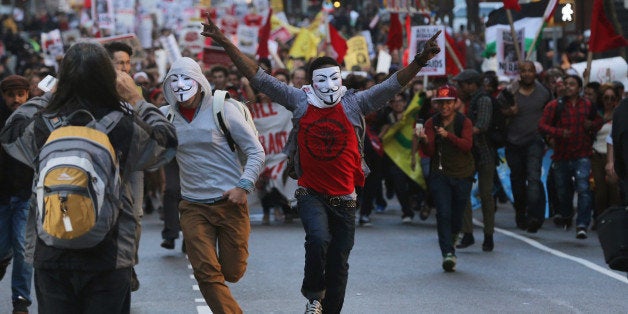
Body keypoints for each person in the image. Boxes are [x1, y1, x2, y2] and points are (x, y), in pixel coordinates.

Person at [202, 16, 441, 313]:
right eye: (321, 80)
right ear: (310, 83)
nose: (328, 86)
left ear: (341, 78)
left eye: (334, 78)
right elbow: (258, 76)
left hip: (346, 197)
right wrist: (224, 41)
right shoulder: (299, 100)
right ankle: (314, 295)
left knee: (339, 259)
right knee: (317, 239)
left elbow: (393, 85)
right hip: (310, 192)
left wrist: (419, 60)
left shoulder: (356, 102)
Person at [0, 42, 177, 314]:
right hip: (109, 252)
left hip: (50, 249)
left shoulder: (44, 124)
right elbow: (166, 143)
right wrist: (137, 100)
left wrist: (48, 96)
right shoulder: (122, 124)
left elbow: (11, 131)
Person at [160, 56, 265, 313]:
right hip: (193, 206)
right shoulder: (165, 117)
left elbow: (256, 152)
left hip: (230, 203)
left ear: (199, 80)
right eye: (174, 79)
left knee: (232, 271)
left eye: (186, 78)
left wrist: (243, 186)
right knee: (206, 272)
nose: (180, 85)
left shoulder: (224, 109)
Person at [417, 85, 475, 272]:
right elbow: (429, 151)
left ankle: (455, 234)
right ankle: (447, 253)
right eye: (441, 103)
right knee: (443, 213)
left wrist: (448, 135)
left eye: (448, 103)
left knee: (457, 214)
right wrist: (424, 140)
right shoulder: (431, 123)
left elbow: (467, 146)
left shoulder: (463, 122)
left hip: (462, 174)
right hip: (440, 174)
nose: (444, 107)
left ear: (455, 103)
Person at [539, 74, 603, 239]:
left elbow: (599, 121)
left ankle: (582, 224)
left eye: (572, 84)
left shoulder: (588, 105)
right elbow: (542, 125)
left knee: (584, 188)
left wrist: (592, 125)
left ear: (579, 88)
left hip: (583, 153)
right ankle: (567, 213)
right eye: (566, 84)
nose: (568, 87)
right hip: (561, 155)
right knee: (563, 191)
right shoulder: (555, 106)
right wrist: (559, 133)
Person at [498, 61, 551, 232]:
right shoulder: (509, 92)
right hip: (513, 142)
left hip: (534, 141)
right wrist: (509, 112)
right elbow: (497, 112)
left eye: (530, 71)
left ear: (535, 72)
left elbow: (550, 113)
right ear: (519, 73)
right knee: (518, 181)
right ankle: (521, 212)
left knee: (534, 179)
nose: (527, 74)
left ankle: (535, 216)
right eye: (524, 71)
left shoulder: (544, 92)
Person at [0, 75, 33, 314]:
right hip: (1, 195)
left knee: (23, 246)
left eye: (20, 94)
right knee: (3, 247)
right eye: (11, 95)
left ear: (27, 94)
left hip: (25, 194)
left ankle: (20, 299)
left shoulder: (34, 118)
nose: (16, 99)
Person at [453, 69, 495, 252]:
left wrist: (462, 134)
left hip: (484, 153)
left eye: (461, 84)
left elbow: (482, 126)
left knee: (486, 195)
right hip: (470, 153)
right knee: (464, 193)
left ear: (471, 84)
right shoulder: (469, 101)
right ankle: (468, 232)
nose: (459, 88)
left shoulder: (483, 100)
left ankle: (488, 235)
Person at [591, 84, 621, 227]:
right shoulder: (596, 115)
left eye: (612, 98)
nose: (609, 101)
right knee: (600, 191)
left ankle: (614, 221)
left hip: (615, 157)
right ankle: (600, 219)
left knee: (614, 190)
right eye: (606, 98)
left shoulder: (620, 115)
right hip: (597, 155)